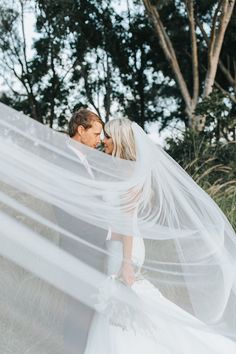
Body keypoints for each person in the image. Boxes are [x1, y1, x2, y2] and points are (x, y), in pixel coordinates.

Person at [84, 118, 236, 354]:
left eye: (109, 136)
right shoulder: (126, 169)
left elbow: (126, 222)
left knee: (123, 299)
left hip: (126, 248)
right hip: (123, 244)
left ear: (121, 140)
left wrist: (126, 262)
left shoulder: (127, 172)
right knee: (120, 302)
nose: (104, 140)